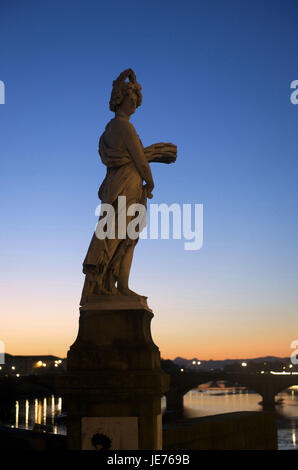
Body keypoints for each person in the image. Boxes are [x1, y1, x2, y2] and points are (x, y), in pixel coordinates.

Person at [80, 69, 176, 305]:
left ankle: (118, 285)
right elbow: (139, 159)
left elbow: (133, 158)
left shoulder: (111, 129)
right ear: (119, 99)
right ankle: (104, 285)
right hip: (126, 187)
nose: (133, 104)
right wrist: (150, 180)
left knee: (126, 237)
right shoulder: (124, 127)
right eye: (130, 99)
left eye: (136, 101)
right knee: (117, 236)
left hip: (122, 186)